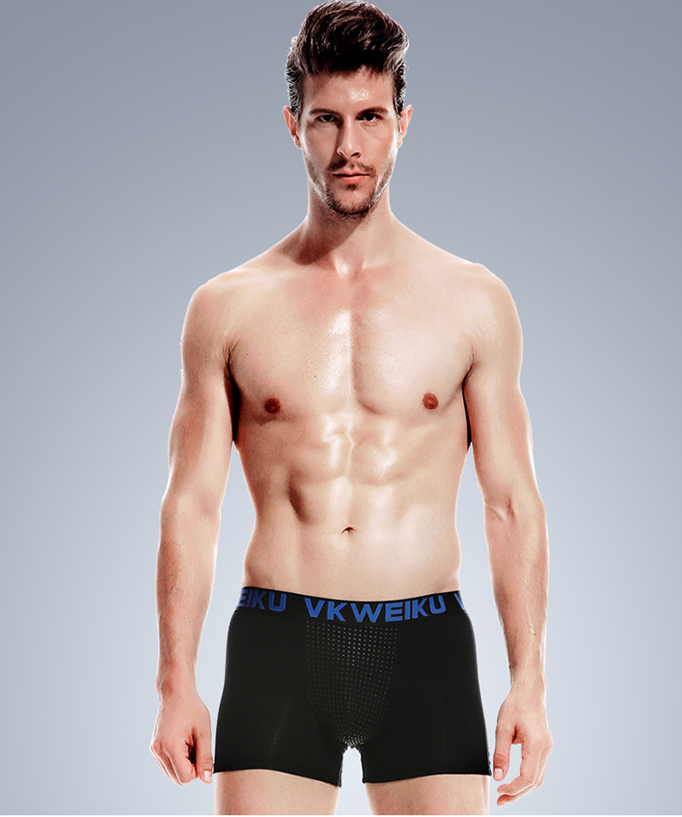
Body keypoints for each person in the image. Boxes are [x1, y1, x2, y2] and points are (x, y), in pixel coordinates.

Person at [150, 1, 552, 813]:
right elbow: (192, 504)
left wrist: (529, 680)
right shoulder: (227, 307)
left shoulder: (474, 301)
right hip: (277, 642)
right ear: (292, 127)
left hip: (426, 643)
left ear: (403, 124)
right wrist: (174, 681)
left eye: (370, 118)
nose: (349, 146)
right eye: (326, 119)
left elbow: (510, 502)